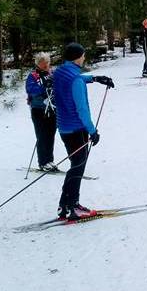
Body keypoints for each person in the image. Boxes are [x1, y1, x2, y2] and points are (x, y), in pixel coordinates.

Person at [52, 42, 115, 221]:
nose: (84, 57)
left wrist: (95, 78)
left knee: (75, 165)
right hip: (77, 128)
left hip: (64, 128)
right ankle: (73, 206)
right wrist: (92, 131)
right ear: (78, 57)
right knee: (78, 167)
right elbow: (82, 109)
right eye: (83, 55)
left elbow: (76, 79)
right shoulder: (76, 79)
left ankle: (64, 205)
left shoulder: (60, 72)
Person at [25, 55, 58, 172]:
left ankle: (50, 160)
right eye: (43, 63)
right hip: (38, 109)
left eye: (47, 62)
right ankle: (42, 162)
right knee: (42, 135)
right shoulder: (33, 75)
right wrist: (44, 87)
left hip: (52, 109)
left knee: (50, 135)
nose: (46, 65)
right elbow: (31, 89)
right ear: (38, 64)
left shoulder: (52, 73)